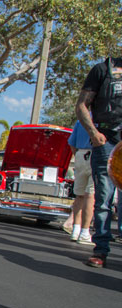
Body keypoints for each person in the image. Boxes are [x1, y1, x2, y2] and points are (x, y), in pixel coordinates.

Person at [76, 56, 122, 268]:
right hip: (107, 141)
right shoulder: (103, 70)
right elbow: (82, 105)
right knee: (103, 199)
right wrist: (93, 133)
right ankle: (101, 251)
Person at [67, 121, 95, 245]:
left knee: (79, 195)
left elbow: (71, 143)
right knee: (90, 195)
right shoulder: (102, 119)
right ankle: (84, 232)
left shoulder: (80, 121)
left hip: (80, 154)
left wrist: (78, 155)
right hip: (95, 155)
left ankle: (75, 229)